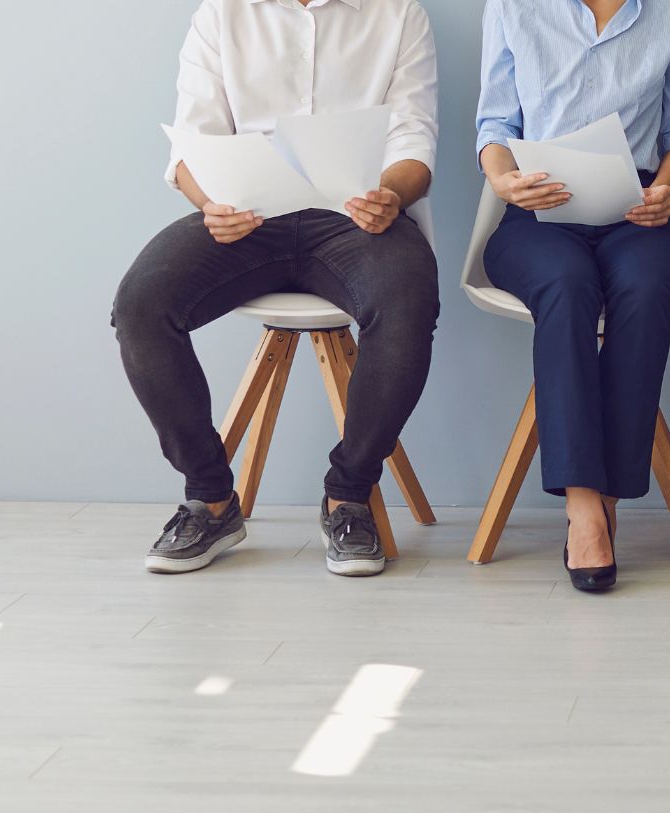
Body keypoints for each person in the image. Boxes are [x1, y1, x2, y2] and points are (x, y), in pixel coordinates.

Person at [112, 0, 440, 578]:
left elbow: (415, 135)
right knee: (141, 303)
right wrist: (210, 204)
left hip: (356, 215)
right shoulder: (221, 12)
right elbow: (190, 141)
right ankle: (210, 499)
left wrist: (390, 193)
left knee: (409, 299)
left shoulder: (397, 11)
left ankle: (349, 497)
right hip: (245, 215)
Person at [474, 0, 670, 593]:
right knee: (567, 284)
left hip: (637, 211)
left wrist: (668, 188)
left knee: (646, 283)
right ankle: (584, 507)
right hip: (537, 216)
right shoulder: (512, 7)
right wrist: (504, 181)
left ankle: (609, 497)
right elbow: (496, 126)